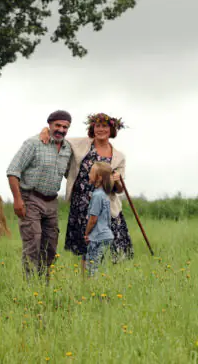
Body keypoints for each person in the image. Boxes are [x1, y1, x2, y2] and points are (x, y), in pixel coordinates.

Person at [38, 112, 133, 268]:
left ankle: (108, 281)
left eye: (104, 126)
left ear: (112, 130)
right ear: (92, 128)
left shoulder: (119, 157)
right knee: (86, 247)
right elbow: (59, 136)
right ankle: (87, 283)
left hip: (106, 205)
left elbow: (119, 189)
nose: (100, 129)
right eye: (97, 126)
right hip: (81, 205)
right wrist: (44, 130)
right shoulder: (81, 144)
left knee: (111, 248)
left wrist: (116, 180)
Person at [6, 110, 73, 280]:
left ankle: (44, 285)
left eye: (65, 127)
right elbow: (13, 171)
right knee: (33, 243)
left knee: (50, 246)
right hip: (30, 198)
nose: (61, 130)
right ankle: (30, 286)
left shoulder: (68, 149)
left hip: (52, 202)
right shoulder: (33, 144)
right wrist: (17, 200)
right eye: (57, 125)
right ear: (49, 125)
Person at [84, 162, 115, 277]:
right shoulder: (104, 195)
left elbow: (93, 219)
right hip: (106, 236)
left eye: (91, 173)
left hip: (98, 237)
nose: (88, 174)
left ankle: (93, 289)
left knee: (92, 267)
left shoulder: (97, 196)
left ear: (99, 178)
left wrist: (86, 234)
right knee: (100, 267)